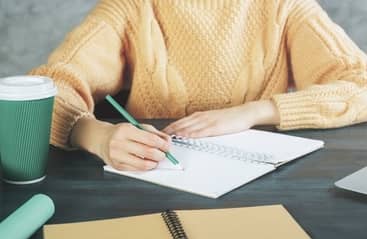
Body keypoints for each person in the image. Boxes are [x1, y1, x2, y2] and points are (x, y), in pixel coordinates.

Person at [31, 0, 367, 172]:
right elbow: (43, 91)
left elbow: (361, 84)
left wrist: (254, 112)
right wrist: (96, 135)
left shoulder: (285, 7)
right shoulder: (132, 8)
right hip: (150, 179)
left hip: (261, 186)